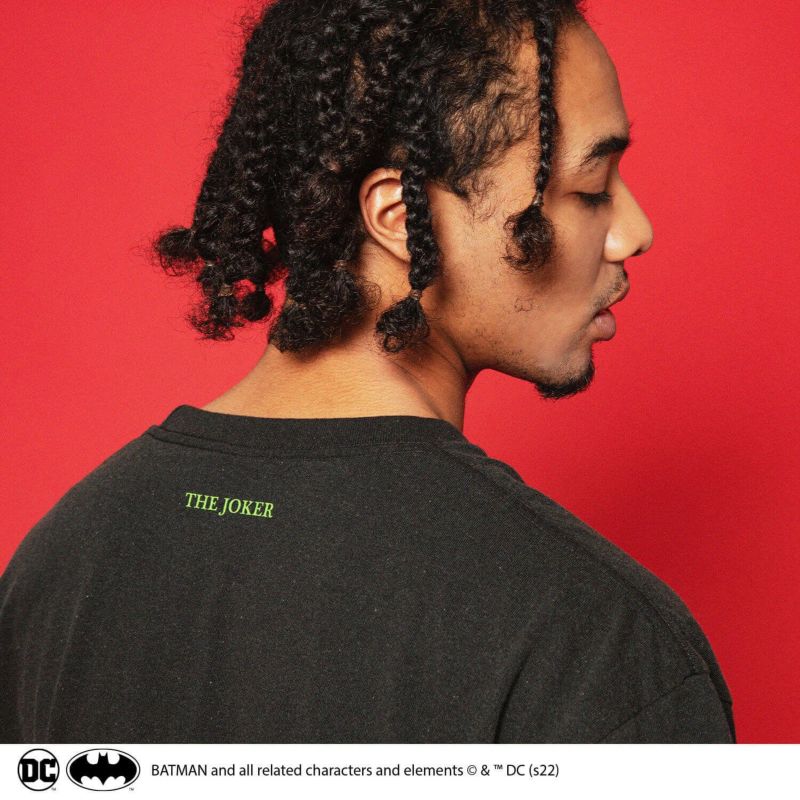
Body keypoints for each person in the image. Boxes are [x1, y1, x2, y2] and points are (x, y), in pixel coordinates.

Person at [0, 0, 735, 743]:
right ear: (400, 217)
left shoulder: (59, 561)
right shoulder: (601, 643)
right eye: (591, 188)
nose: (635, 232)